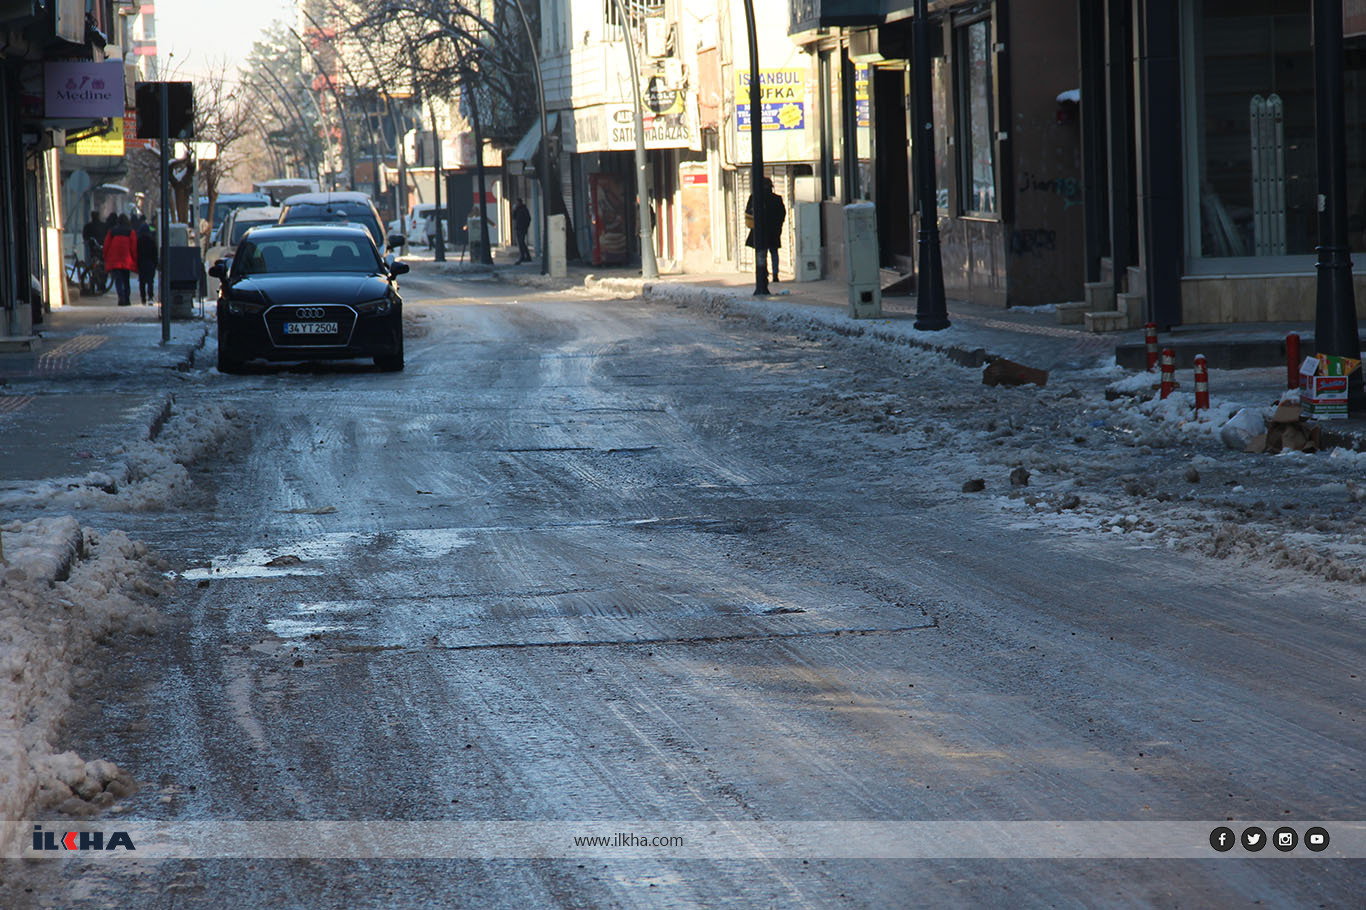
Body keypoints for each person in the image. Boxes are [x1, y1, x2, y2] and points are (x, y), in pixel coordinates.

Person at [744, 177, 786, 282]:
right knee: (774, 252)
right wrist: (778, 226)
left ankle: (764, 273)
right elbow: (782, 214)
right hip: (773, 231)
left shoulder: (754, 198)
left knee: (762, 252)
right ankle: (775, 275)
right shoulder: (777, 198)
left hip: (760, 230)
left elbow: (748, 212)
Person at [102, 213, 138, 307]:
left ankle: (120, 297)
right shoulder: (131, 232)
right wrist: (134, 259)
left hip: (114, 260)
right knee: (126, 280)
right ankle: (127, 298)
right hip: (126, 259)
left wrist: (105, 257)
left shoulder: (112, 232)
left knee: (118, 279)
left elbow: (106, 246)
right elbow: (134, 247)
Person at [135, 215, 158, 305]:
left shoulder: (139, 241)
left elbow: (137, 253)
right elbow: (155, 253)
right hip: (150, 264)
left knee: (142, 282)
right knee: (150, 281)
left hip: (141, 263)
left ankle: (143, 298)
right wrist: (155, 263)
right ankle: (150, 297)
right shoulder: (151, 241)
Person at [512, 198, 532, 264]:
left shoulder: (524, 209)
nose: (516, 204)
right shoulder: (517, 209)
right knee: (521, 243)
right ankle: (525, 256)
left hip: (522, 228)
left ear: (520, 203)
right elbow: (514, 217)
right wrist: (514, 210)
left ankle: (523, 256)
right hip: (518, 228)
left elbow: (528, 219)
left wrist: (526, 226)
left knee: (521, 242)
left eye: (517, 203)